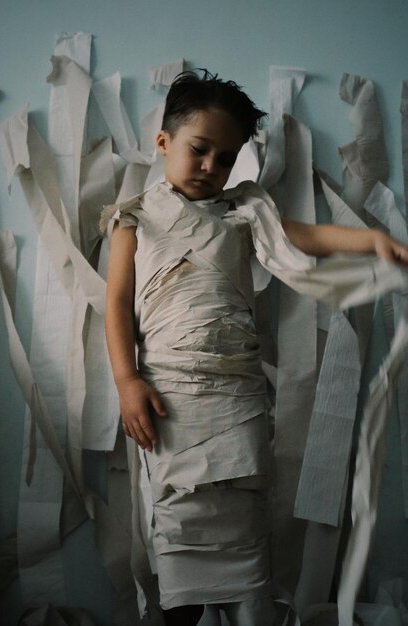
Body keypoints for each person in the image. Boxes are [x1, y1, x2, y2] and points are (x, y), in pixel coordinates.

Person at [104, 70, 408, 626]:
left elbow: (305, 236)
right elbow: (117, 305)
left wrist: (375, 240)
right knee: (178, 532)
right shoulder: (135, 221)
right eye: (199, 150)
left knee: (245, 539)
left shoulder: (243, 214)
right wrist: (127, 381)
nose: (210, 168)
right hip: (168, 403)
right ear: (164, 142)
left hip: (237, 403)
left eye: (225, 158)